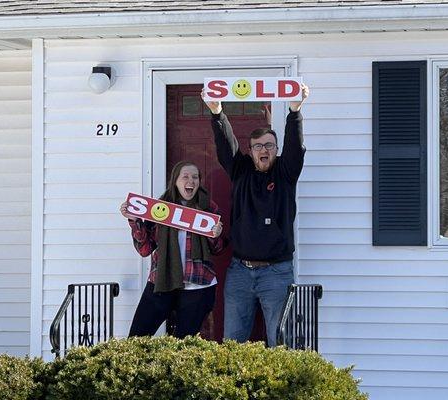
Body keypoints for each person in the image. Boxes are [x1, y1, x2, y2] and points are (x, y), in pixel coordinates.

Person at [203, 84, 309, 347]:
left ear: (276, 149)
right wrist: (217, 114)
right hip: (240, 271)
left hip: (276, 272)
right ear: (250, 152)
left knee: (280, 343)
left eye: (270, 146)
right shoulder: (241, 171)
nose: (264, 150)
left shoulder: (286, 173)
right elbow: (226, 148)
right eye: (258, 146)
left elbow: (295, 148)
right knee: (232, 344)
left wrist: (294, 111)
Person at [120, 161, 224, 338]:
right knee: (136, 339)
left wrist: (215, 235)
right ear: (175, 180)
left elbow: (218, 249)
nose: (190, 180)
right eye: (185, 176)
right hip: (162, 282)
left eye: (195, 177)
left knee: (182, 348)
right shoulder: (160, 208)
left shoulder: (208, 207)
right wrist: (134, 220)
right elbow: (145, 249)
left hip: (197, 285)